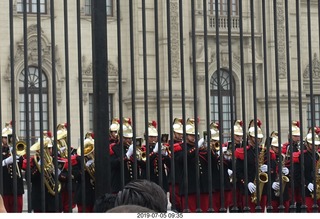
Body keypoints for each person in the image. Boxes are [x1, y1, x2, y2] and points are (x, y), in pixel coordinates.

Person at [235, 125, 271, 212]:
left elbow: (274, 167)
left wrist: (268, 168)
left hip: (262, 189)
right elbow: (238, 171)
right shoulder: (244, 152)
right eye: (255, 138)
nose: (258, 140)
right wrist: (247, 182)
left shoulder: (264, 152)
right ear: (250, 138)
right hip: (248, 188)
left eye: (259, 138)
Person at [28, 132, 62, 212]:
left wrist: (55, 170)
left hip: (53, 199)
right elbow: (29, 177)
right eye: (45, 148)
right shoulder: (33, 161)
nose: (48, 151)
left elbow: (65, 177)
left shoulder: (56, 160)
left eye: (49, 148)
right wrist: (38, 166)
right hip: (39, 199)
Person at [140, 120, 170, 193]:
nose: (153, 139)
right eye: (151, 137)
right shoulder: (143, 149)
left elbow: (170, 164)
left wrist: (165, 154)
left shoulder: (160, 147)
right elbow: (143, 163)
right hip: (148, 179)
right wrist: (154, 152)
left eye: (155, 137)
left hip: (160, 179)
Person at [293, 132, 320, 212]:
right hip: (307, 190)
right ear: (307, 144)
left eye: (317, 145)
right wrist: (307, 184)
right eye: (313, 145)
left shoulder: (318, 155)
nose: (315, 147)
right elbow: (296, 175)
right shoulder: (301, 156)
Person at [110, 118, 138, 193]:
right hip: (119, 183)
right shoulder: (114, 148)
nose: (128, 140)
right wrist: (126, 156)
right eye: (126, 138)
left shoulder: (132, 147)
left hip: (132, 183)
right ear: (120, 136)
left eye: (130, 138)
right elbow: (112, 164)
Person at [1, 123, 25, 212]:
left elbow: (23, 164)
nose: (7, 140)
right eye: (4, 138)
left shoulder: (17, 149)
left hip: (17, 187)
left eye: (9, 138)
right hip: (5, 187)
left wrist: (18, 155)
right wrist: (5, 162)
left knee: (17, 212)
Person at [74, 133, 95, 212]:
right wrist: (85, 167)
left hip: (94, 195)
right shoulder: (77, 160)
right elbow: (76, 176)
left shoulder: (96, 159)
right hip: (83, 194)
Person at [269, 133, 290, 212]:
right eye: (276, 147)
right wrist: (271, 183)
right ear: (271, 147)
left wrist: (288, 171)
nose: (278, 149)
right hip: (272, 188)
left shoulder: (283, 157)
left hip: (284, 189)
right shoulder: (267, 157)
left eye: (279, 147)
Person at [167, 118, 184, 212]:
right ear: (173, 133)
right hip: (174, 176)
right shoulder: (169, 145)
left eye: (182, 134)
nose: (180, 136)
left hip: (183, 176)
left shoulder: (184, 144)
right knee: (175, 202)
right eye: (178, 133)